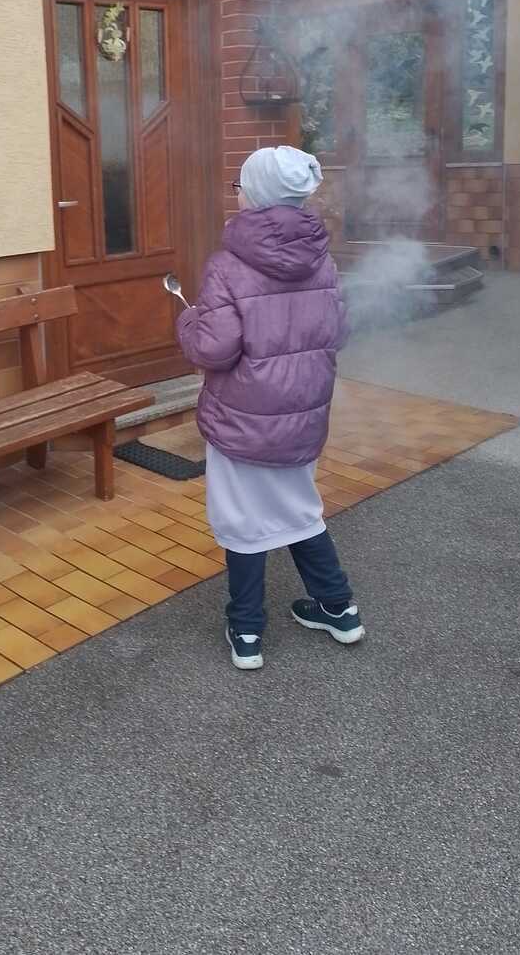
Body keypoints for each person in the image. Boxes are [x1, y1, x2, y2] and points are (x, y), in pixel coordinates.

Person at [176, 145, 363, 671]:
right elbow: (339, 330)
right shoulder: (322, 257)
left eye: (240, 186)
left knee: (243, 520)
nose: (237, 194)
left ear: (254, 194)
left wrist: (187, 320)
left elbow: (213, 349)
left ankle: (247, 630)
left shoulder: (227, 264)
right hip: (303, 412)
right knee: (299, 508)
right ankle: (338, 608)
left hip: (242, 417)